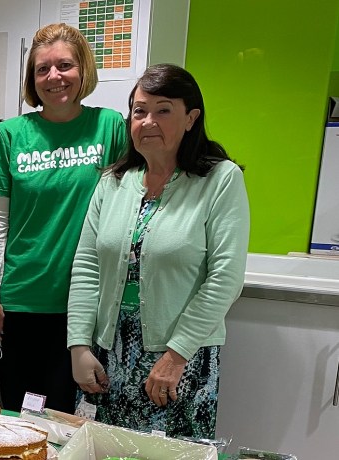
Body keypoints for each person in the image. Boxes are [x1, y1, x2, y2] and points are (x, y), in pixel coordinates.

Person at [67, 64, 249, 438]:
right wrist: (79, 345)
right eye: (139, 111)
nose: (148, 121)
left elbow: (225, 279)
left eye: (163, 110)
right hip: (109, 354)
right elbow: (86, 266)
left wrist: (176, 355)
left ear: (190, 118)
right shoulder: (113, 182)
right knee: (101, 447)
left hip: (180, 358)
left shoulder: (220, 180)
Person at [0, 23, 128, 412]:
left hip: (85, 302)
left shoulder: (109, 126)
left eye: (64, 65)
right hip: (22, 298)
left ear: (83, 71)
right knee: (22, 412)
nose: (53, 77)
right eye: (42, 69)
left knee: (73, 418)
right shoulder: (10, 135)